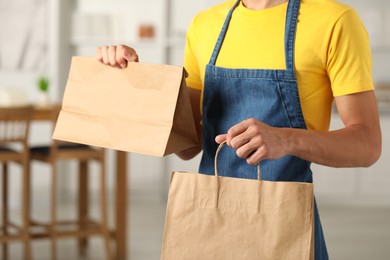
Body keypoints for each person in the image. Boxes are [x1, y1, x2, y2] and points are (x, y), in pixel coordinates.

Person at [96, 0, 382, 259]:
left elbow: (367, 144)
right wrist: (135, 79)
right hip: (208, 219)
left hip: (283, 227)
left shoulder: (336, 21)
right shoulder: (205, 24)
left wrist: (287, 139)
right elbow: (188, 146)